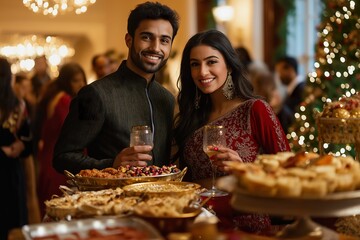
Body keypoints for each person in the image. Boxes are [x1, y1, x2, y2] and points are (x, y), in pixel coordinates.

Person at [172, 30, 290, 233]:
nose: (202, 72)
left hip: (245, 226)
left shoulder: (254, 110)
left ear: (229, 65)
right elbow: (185, 180)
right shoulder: (190, 118)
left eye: (211, 62)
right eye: (195, 64)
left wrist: (244, 170)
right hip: (199, 225)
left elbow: (287, 172)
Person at [53, 1, 179, 175]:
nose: (155, 48)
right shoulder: (94, 95)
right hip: (112, 200)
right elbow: (62, 157)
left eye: (164, 40)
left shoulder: (166, 99)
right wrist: (112, 164)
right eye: (146, 37)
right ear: (129, 40)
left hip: (162, 201)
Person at [34, 62, 87, 218]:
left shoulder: (54, 96)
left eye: (82, 79)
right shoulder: (64, 100)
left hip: (49, 158)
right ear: (66, 81)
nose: (81, 84)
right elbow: (74, 133)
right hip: (59, 164)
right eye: (76, 80)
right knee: (61, 211)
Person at [0, 57, 33, 239]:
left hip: (9, 169)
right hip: (11, 172)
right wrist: (18, 147)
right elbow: (28, 144)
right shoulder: (18, 105)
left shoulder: (18, 105)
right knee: (11, 227)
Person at [275, 56, 306, 132]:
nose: (279, 76)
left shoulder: (301, 90)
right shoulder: (292, 89)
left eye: (280, 72)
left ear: (290, 70)